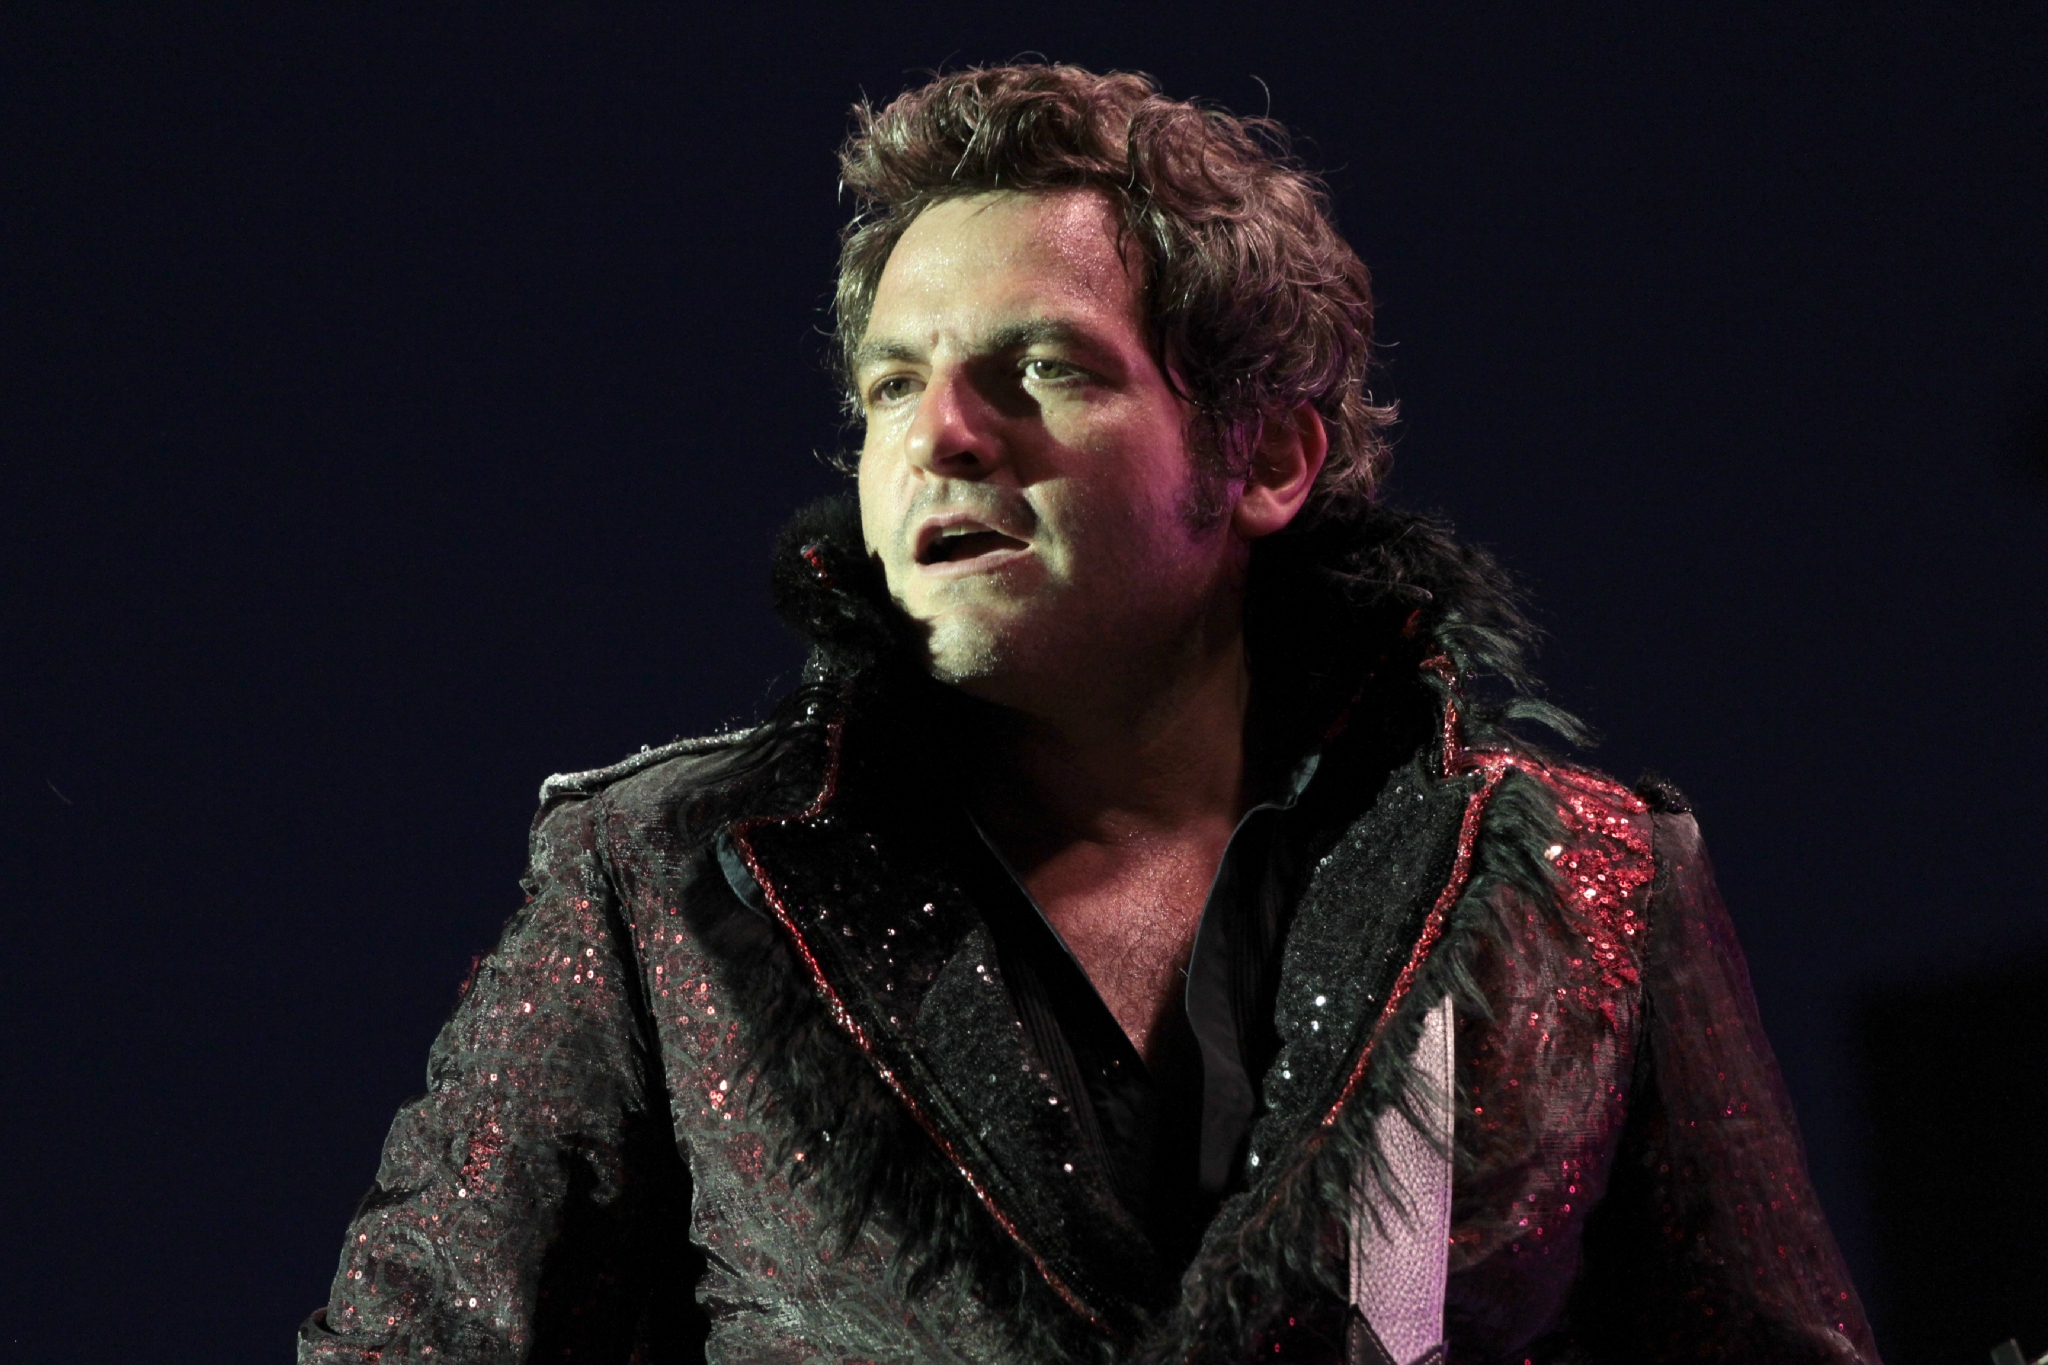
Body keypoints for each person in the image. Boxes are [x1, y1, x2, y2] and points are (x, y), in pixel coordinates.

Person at [299, 63, 1879, 1365]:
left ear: (1267, 460)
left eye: (1039, 367)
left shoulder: (1571, 879)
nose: (942, 435)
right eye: (892, 384)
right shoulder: (666, 882)